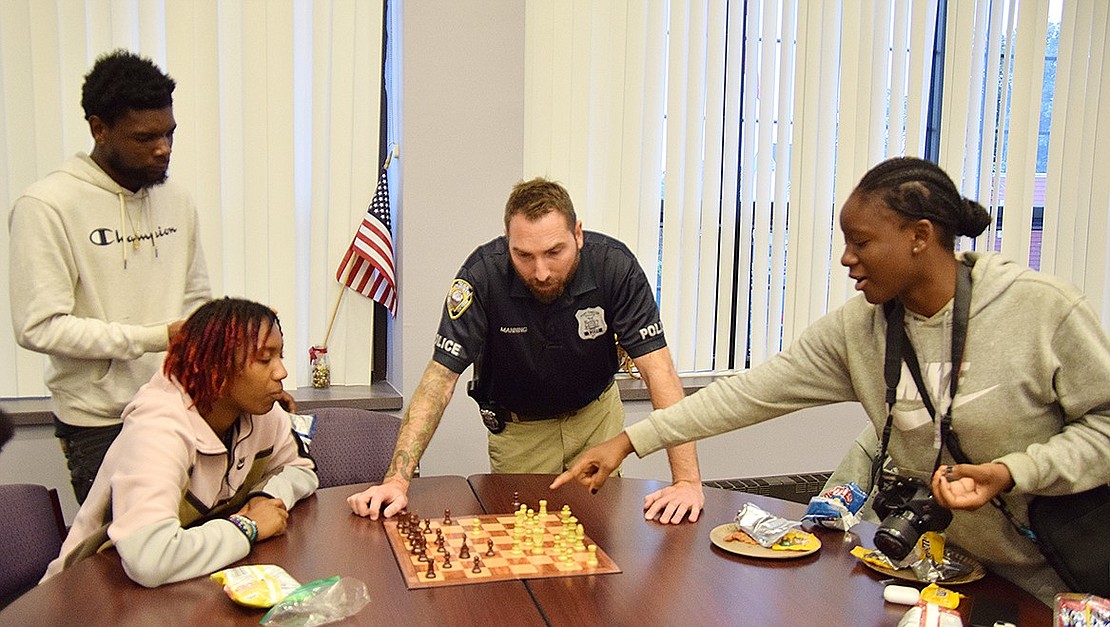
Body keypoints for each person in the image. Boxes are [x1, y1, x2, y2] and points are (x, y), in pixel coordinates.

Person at [553, 157, 1110, 605]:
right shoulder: (859, 330)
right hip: (957, 576)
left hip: (1067, 580)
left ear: (919, 235)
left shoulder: (1041, 310)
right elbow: (749, 393)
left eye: (861, 242)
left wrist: (1014, 470)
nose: (846, 258)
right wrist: (629, 440)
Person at [348, 177, 704, 524]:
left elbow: (659, 372)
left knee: (597, 535)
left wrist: (687, 481)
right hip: (521, 431)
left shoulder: (614, 266)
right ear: (508, 242)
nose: (542, 271)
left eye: (555, 252)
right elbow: (439, 380)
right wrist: (396, 480)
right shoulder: (481, 276)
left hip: (597, 419)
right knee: (527, 543)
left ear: (578, 234)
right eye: (524, 255)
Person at [8, 49, 211, 503]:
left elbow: (196, 298)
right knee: (125, 561)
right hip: (99, 425)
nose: (164, 148)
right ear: (99, 129)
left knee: (192, 546)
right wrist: (155, 336)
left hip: (178, 407)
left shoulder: (176, 200)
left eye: (169, 133)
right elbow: (38, 326)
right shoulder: (47, 206)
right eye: (145, 137)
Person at [41, 298, 317, 588]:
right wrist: (247, 527)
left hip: (181, 583)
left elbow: (301, 468)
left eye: (280, 356)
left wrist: (264, 497)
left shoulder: (260, 410)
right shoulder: (158, 427)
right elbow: (150, 559)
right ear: (216, 368)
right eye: (265, 359)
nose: (281, 372)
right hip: (91, 588)